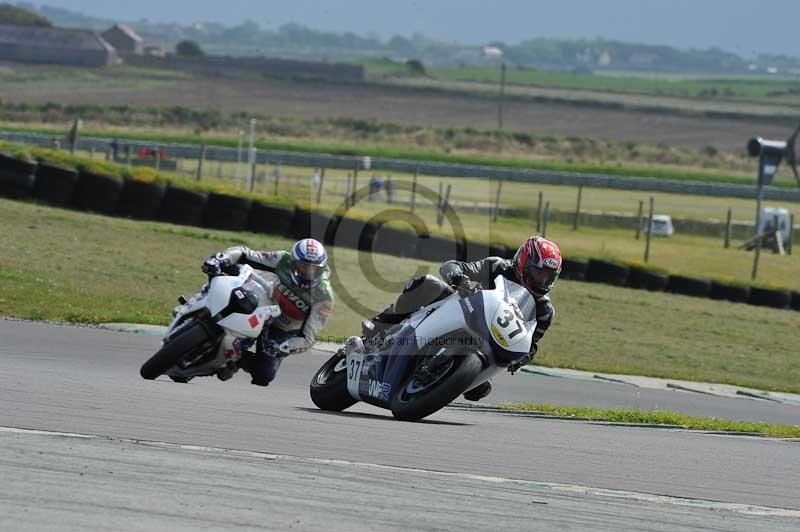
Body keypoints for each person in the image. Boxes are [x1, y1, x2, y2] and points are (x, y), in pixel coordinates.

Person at [362, 236, 561, 402]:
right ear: (524, 262)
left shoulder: (544, 312)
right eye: (538, 272)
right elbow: (455, 266)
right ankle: (379, 325)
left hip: (489, 346)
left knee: (481, 389)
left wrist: (523, 358)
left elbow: (531, 343)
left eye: (548, 276)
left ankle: (437, 379)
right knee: (427, 284)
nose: (542, 280)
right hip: (463, 312)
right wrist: (458, 277)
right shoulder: (497, 266)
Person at [201, 238, 334, 386]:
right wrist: (221, 258)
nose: (307, 272)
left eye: (313, 268)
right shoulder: (283, 259)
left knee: (264, 375)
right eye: (303, 266)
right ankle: (202, 304)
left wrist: (282, 347)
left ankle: (236, 360)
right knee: (231, 269)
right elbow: (245, 254)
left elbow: (308, 339)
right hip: (265, 303)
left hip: (283, 329)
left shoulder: (324, 296)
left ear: (321, 269)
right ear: (292, 261)